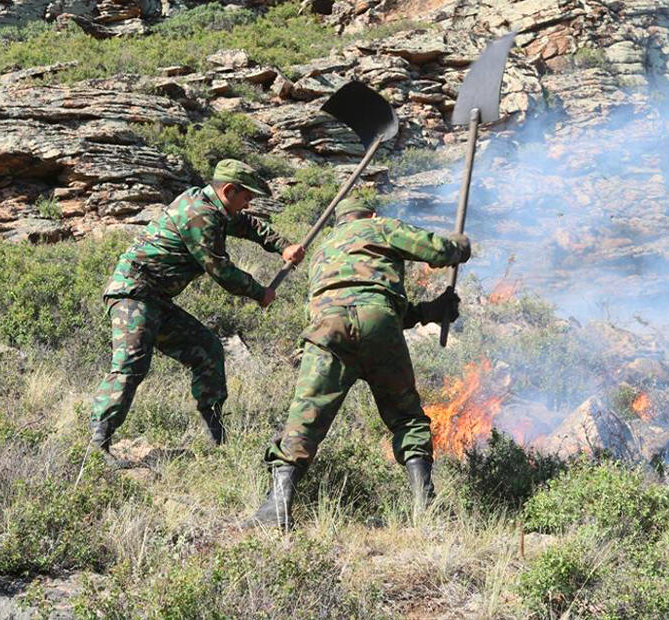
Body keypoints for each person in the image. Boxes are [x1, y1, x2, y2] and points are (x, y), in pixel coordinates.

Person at [250, 197, 470, 529]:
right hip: (379, 324)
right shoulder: (380, 227)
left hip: (326, 331)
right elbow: (435, 253)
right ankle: (425, 506)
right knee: (406, 416)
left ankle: (276, 508)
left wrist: (430, 312)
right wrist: (459, 247)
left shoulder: (324, 250)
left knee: (305, 417)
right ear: (371, 214)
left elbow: (352, 301)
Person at [90, 159, 305, 464]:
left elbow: (247, 224)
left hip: (157, 299)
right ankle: (97, 445)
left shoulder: (213, 205)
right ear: (229, 190)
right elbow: (221, 271)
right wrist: (261, 293)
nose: (248, 204)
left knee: (207, 350)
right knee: (131, 364)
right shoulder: (199, 214)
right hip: (133, 294)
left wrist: (282, 246)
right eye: (247, 197)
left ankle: (215, 435)